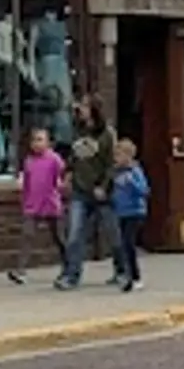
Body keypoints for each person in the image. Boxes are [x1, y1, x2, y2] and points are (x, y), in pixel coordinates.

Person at [60, 104, 119, 288]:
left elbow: (112, 163)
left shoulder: (107, 134)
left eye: (84, 105)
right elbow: (74, 156)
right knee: (74, 233)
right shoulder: (78, 131)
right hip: (80, 190)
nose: (79, 108)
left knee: (113, 233)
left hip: (102, 193)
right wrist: (68, 173)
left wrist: (103, 186)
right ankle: (71, 275)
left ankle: (122, 270)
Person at [6, 122, 66, 284]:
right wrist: (24, 200)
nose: (36, 143)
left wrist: (59, 192)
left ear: (48, 142)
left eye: (40, 140)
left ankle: (68, 265)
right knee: (27, 235)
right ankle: (21, 270)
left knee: (59, 237)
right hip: (32, 204)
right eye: (34, 140)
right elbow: (26, 182)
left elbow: (60, 179)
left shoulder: (54, 159)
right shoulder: (29, 161)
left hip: (50, 203)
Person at [108, 142, 151, 291]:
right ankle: (128, 275)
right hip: (121, 211)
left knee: (128, 243)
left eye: (119, 155)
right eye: (115, 155)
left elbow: (144, 190)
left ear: (128, 156)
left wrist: (131, 182)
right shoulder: (116, 172)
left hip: (135, 211)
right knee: (123, 244)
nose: (116, 159)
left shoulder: (135, 171)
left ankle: (135, 277)